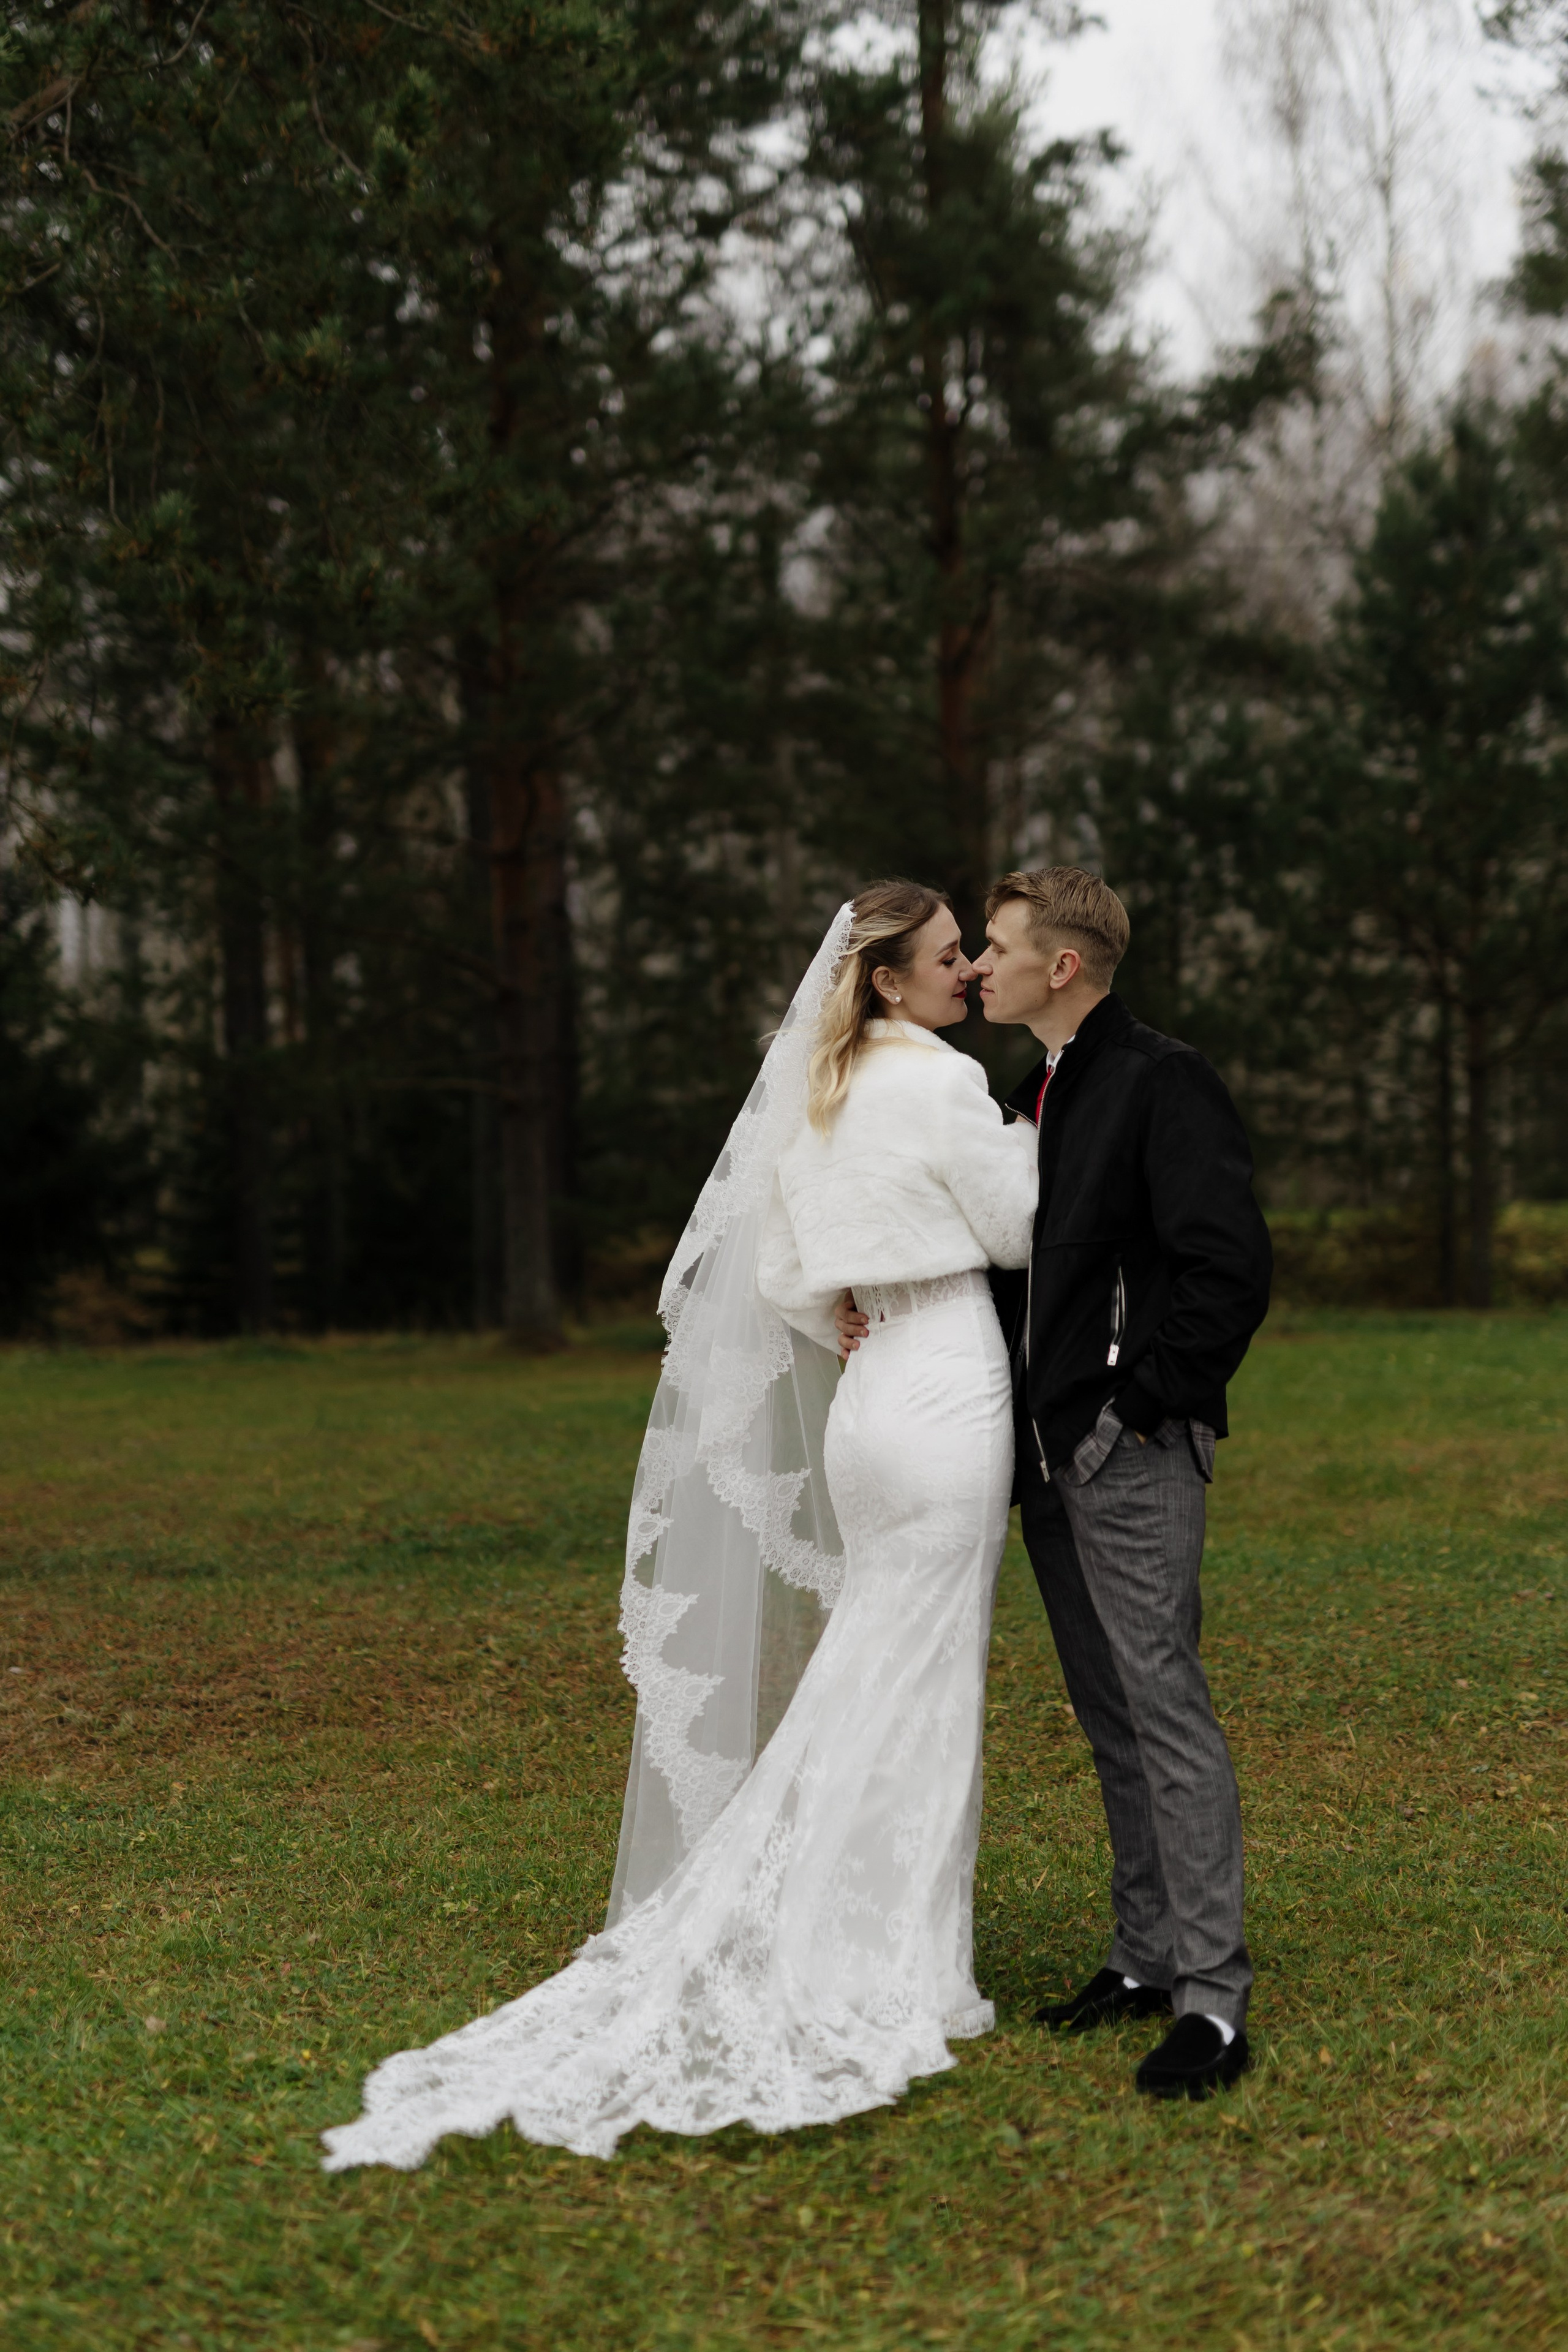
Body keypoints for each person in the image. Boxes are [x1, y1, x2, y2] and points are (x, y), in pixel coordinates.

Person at [321, 881, 1037, 2169]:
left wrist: (844, 1324)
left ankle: (835, 1918)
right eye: (943, 959)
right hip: (944, 1387)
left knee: (870, 1664)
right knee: (920, 1679)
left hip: (868, 1400)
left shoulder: (819, 1091)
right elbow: (1017, 1224)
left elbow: (772, 1274)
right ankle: (899, 1967)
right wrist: (1054, 1142)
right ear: (883, 978)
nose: (965, 977)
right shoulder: (933, 1082)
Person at [839, 866, 1272, 2101]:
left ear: (1061, 966)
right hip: (1036, 1456)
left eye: (997, 944)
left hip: (1121, 1448)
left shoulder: (1159, 1080)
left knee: (1162, 1706)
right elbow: (1008, 1262)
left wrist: (1136, 1410)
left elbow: (1223, 1268)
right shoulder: (1026, 1087)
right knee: (1109, 1715)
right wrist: (867, 1308)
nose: (976, 962)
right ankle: (1141, 1960)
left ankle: (1211, 2001)